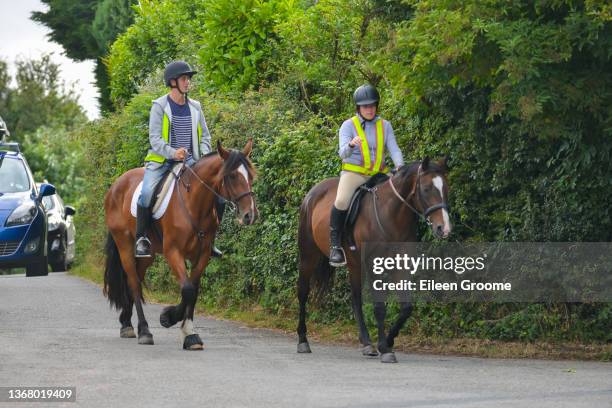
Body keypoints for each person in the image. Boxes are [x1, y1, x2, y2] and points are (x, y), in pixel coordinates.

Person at [135, 60, 224, 258]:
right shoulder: (159, 106)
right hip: (162, 162)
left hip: (191, 163)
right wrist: (173, 153)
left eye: (188, 79)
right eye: (184, 78)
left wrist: (201, 156)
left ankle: (211, 241)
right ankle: (142, 239)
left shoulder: (195, 107)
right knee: (147, 193)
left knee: (218, 195)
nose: (188, 82)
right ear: (173, 82)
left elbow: (206, 137)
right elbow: (155, 139)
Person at [329, 84, 404, 266]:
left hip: (380, 174)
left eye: (372, 105)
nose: (369, 109)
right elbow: (342, 154)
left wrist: (400, 167)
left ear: (376, 105)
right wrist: (351, 145)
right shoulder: (348, 125)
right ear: (359, 108)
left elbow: (394, 149)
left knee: (401, 197)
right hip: (355, 173)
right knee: (341, 201)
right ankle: (335, 246)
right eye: (365, 106)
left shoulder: (385, 125)